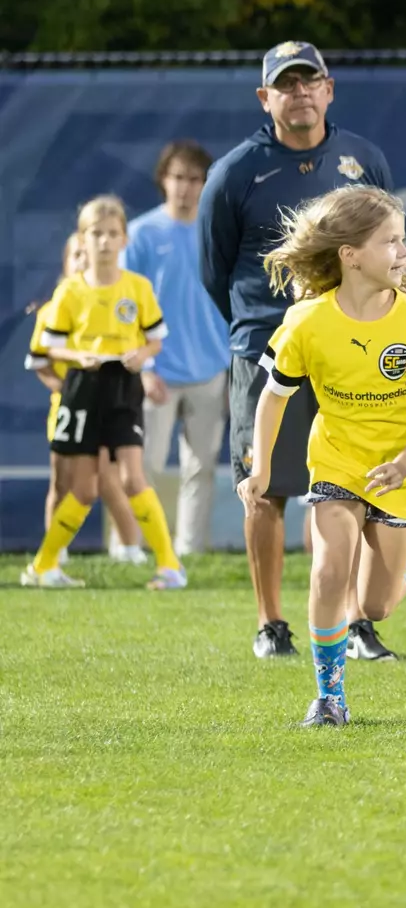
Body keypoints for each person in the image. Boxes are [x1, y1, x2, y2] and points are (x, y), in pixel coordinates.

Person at [237, 185, 406, 727]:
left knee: (377, 605)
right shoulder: (307, 321)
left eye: (403, 241)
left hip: (404, 469)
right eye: (392, 241)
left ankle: (404, 556)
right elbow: (272, 397)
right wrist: (261, 468)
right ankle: (329, 698)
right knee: (327, 567)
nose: (404, 253)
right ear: (350, 254)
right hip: (338, 459)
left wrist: (404, 465)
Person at [199, 39, 399, 660]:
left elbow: (388, 246)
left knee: (346, 487)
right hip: (268, 346)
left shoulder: (363, 160)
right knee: (263, 486)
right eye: (286, 84)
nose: (300, 92)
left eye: (310, 80)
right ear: (266, 97)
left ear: (330, 88)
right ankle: (270, 624)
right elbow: (216, 271)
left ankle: (347, 623)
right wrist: (257, 328)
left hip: (351, 348)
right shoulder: (235, 172)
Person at [22, 195, 187, 590]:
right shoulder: (69, 293)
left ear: (124, 239)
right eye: (96, 234)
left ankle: (169, 566)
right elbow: (49, 348)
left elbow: (156, 341)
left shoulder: (138, 287)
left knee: (133, 476)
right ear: (83, 238)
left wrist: (141, 355)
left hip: (122, 387)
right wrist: (77, 355)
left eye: (112, 234)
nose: (104, 242)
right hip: (82, 389)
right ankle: (45, 566)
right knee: (83, 487)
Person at [121, 140, 232, 556]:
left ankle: (189, 552)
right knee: (141, 467)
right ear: (163, 181)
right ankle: (132, 548)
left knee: (200, 469)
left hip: (210, 370)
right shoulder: (141, 235)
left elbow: (228, 302)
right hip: (156, 373)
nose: (185, 187)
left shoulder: (217, 233)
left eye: (194, 179)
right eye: (177, 178)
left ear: (204, 184)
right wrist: (144, 369)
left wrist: (228, 369)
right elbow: (124, 307)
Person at [26, 234, 144, 564]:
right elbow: (39, 360)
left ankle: (130, 548)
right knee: (62, 482)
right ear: (65, 263)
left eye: (85, 254)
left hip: (106, 409)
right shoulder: (53, 309)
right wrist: (64, 390)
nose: (82, 260)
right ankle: (55, 553)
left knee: (108, 480)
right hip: (67, 412)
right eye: (75, 255)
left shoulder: (113, 303)